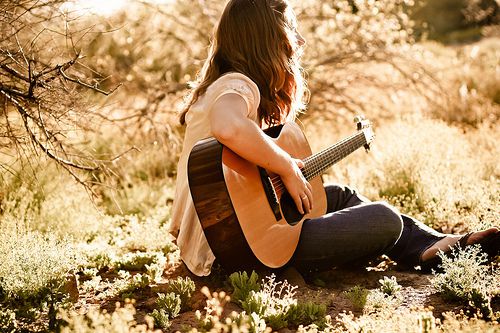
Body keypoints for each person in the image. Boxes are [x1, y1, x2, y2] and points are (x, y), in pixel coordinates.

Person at [169, 0, 499, 277]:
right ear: (269, 41)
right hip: (234, 252)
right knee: (382, 218)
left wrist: (287, 170)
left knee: (338, 195)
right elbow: (228, 126)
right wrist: (286, 166)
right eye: (290, 32)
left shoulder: (226, 84)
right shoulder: (238, 86)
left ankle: (431, 245)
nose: (298, 42)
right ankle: (425, 245)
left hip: (226, 241)